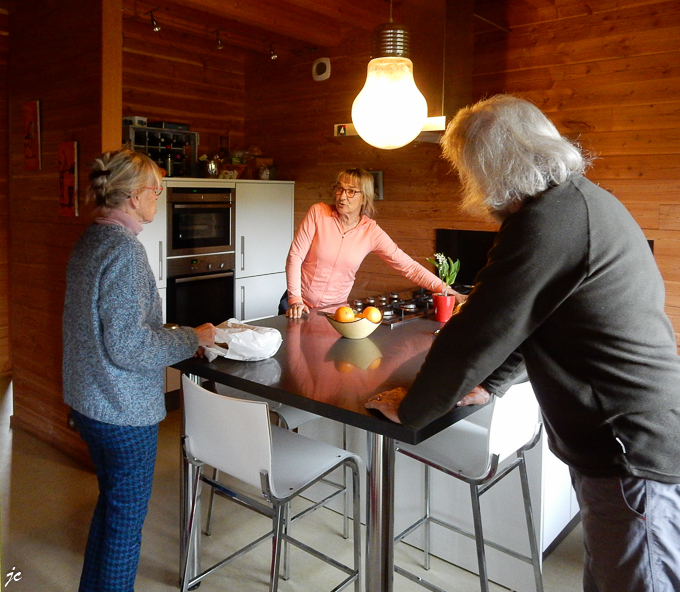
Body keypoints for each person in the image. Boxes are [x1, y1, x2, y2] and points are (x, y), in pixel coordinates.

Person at [365, 95, 680, 592]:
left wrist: (413, 410)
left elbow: (478, 331)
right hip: (624, 445)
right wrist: (490, 385)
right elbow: (532, 320)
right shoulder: (575, 201)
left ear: (488, 167)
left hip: (628, 449)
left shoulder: (549, 220)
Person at [62, 149, 216, 592]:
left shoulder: (91, 239)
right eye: (155, 189)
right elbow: (129, 346)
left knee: (112, 508)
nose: (159, 196)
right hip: (121, 409)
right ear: (131, 196)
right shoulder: (124, 251)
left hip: (90, 401)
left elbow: (105, 328)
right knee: (126, 522)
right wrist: (193, 337)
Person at [283, 167, 462, 318]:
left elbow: (409, 267)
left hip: (334, 312)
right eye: (339, 189)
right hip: (298, 305)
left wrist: (449, 291)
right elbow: (295, 256)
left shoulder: (371, 231)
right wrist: (295, 300)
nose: (342, 196)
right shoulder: (318, 213)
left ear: (365, 197)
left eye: (351, 191)